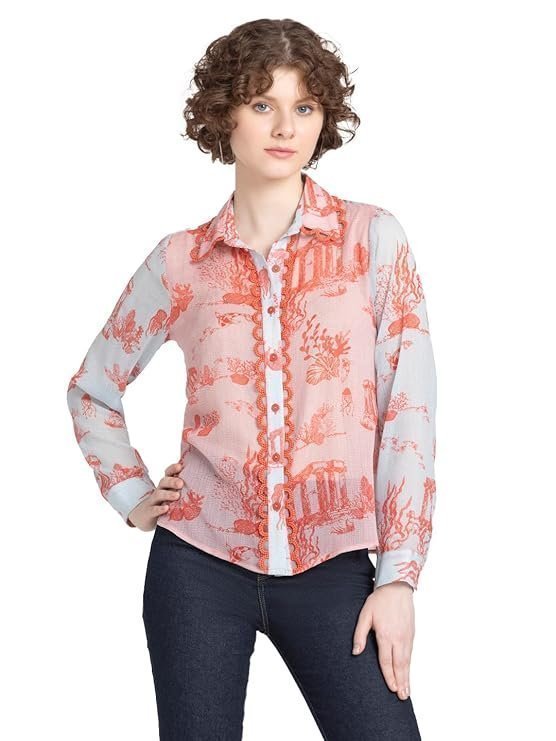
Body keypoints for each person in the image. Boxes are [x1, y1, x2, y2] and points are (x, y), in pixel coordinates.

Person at [66, 18, 436, 741]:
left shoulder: (372, 240)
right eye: (263, 103)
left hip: (335, 565)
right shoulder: (181, 261)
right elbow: (93, 387)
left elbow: (409, 413)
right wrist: (133, 495)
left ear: (324, 117)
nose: (285, 127)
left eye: (304, 106)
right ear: (224, 113)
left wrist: (398, 577)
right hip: (197, 567)